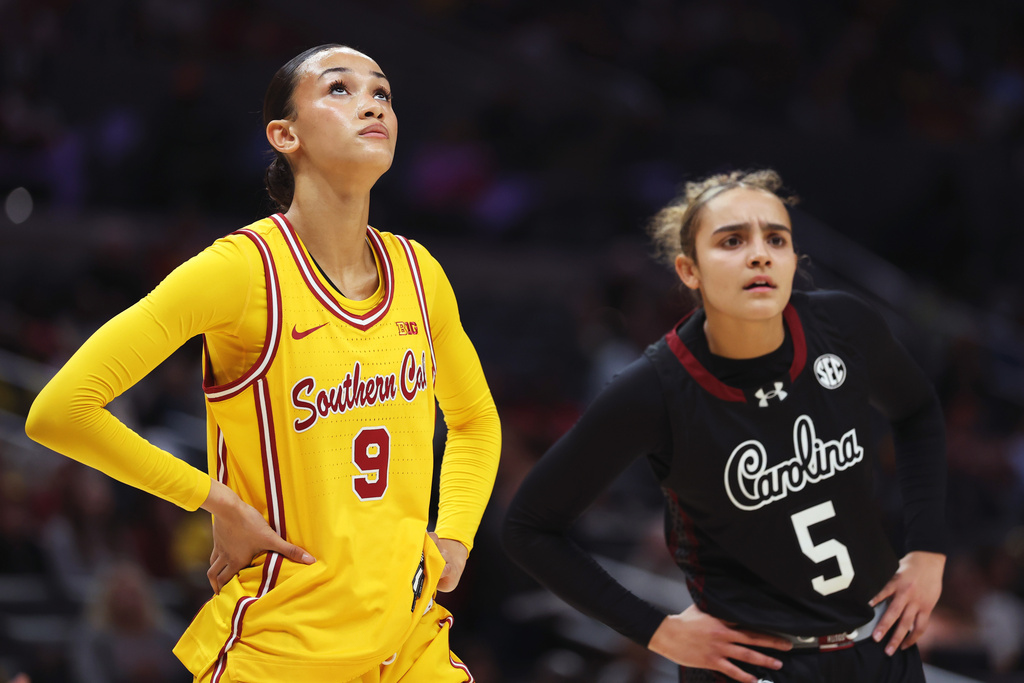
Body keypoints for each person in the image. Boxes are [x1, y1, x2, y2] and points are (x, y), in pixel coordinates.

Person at [27, 44, 500, 683]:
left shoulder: (421, 274)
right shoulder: (241, 271)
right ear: (284, 135)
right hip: (282, 644)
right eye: (340, 89)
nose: (372, 105)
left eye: (382, 93)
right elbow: (60, 410)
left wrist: (457, 536)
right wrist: (214, 500)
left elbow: (475, 422)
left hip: (407, 642)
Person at [502, 169, 946, 683]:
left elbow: (917, 411)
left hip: (880, 651)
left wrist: (928, 550)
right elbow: (529, 527)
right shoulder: (655, 388)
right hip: (751, 668)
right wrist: (657, 630)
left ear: (793, 259)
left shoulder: (844, 324)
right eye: (732, 241)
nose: (759, 255)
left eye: (775, 239)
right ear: (689, 271)